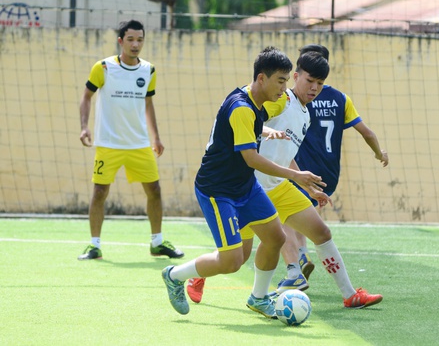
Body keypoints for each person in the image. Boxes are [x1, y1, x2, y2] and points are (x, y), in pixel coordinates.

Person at [186, 51, 383, 309]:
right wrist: (266, 131)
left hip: (278, 187)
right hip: (251, 188)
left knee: (321, 232)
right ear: (296, 77)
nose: (314, 88)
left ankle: (350, 294)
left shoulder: (305, 113)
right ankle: (198, 275)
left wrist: (306, 184)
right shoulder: (281, 100)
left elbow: (285, 155)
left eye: (320, 84)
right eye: (309, 81)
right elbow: (253, 118)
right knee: (238, 257)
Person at [160, 47, 325, 318]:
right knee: (232, 261)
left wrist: (266, 130)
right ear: (262, 78)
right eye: (281, 81)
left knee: (275, 237)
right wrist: (296, 176)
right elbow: (251, 158)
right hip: (218, 191)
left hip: (244, 186)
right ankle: (175, 275)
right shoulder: (241, 108)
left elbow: (247, 129)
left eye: (287, 81)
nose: (285, 90)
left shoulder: (255, 101)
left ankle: (258, 298)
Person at [281, 44, 389, 285]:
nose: (314, 86)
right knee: (301, 211)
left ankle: (298, 259)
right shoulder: (340, 98)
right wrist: (378, 152)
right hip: (330, 171)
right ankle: (303, 257)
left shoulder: (291, 98)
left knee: (283, 214)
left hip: (299, 167)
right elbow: (368, 133)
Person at [78, 19, 183, 260]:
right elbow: (86, 97)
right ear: (120, 41)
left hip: (138, 144)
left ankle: (157, 242)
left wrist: (156, 137)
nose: (135, 45)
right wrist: (84, 127)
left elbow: (148, 103)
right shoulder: (103, 67)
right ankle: (94, 245)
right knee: (100, 192)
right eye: (130, 39)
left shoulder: (149, 70)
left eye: (140, 40)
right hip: (108, 144)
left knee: (154, 190)